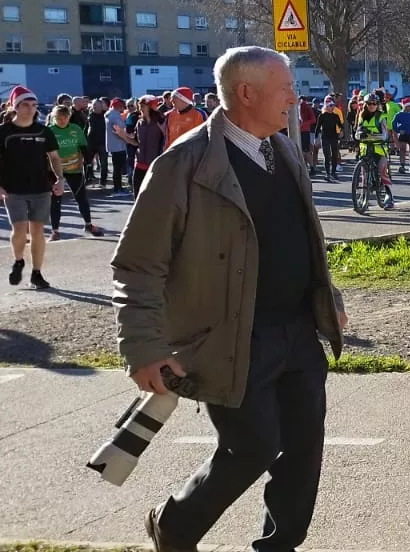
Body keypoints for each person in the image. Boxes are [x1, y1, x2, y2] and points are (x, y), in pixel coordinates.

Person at [113, 46, 347, 552]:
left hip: (298, 331)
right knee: (253, 447)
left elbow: (300, 236)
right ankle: (175, 526)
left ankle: (279, 545)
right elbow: (137, 264)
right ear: (246, 92)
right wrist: (143, 347)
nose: (294, 97)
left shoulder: (283, 150)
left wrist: (328, 295)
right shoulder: (184, 164)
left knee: (304, 449)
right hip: (231, 339)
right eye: (285, 87)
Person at [0, 87, 65, 289]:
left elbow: (54, 157)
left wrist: (60, 179)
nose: (30, 109)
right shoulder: (4, 132)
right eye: (26, 105)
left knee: (38, 231)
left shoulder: (44, 131)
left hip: (41, 188)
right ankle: (19, 260)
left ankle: (37, 273)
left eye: (34, 105)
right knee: (19, 229)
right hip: (13, 189)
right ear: (15, 107)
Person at [46, 105, 101, 239]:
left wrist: (88, 162)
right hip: (55, 171)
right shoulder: (49, 131)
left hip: (74, 169)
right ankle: (55, 231)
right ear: (54, 117)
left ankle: (88, 225)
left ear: (69, 117)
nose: (62, 120)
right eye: (59, 118)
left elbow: (83, 146)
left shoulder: (75, 129)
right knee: (56, 200)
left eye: (65, 117)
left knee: (81, 198)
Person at [354, 93, 395, 210]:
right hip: (366, 149)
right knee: (364, 175)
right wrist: (360, 135)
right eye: (369, 104)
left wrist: (370, 136)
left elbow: (384, 135)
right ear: (365, 105)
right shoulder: (362, 116)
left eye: (374, 104)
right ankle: (363, 199)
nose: (371, 106)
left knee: (382, 171)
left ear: (377, 105)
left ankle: (389, 197)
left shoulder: (381, 117)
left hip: (379, 149)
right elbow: (357, 134)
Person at [132, 96, 166, 197]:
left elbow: (168, 140)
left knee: (154, 196)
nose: (140, 108)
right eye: (139, 106)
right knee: (137, 194)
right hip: (139, 164)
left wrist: (164, 131)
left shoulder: (161, 121)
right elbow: (136, 142)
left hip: (155, 165)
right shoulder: (139, 123)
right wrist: (123, 135)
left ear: (151, 107)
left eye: (143, 106)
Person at [163, 86, 206, 151]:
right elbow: (167, 137)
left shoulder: (199, 114)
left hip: (191, 153)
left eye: (174, 98)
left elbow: (204, 136)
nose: (171, 101)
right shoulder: (169, 115)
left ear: (183, 100)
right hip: (172, 152)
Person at [103, 99, 130, 194]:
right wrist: (127, 139)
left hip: (115, 145)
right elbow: (118, 131)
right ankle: (118, 188)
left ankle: (118, 187)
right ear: (118, 106)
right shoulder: (114, 116)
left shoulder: (110, 114)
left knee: (117, 168)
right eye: (122, 106)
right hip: (118, 145)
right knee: (118, 168)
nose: (124, 108)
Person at [316, 100, 343, 181]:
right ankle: (327, 173)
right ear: (326, 106)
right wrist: (316, 138)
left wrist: (341, 131)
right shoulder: (322, 116)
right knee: (327, 155)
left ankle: (333, 172)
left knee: (334, 155)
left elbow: (340, 125)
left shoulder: (335, 116)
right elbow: (318, 127)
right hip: (325, 137)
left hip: (334, 137)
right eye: (330, 105)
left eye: (333, 105)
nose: (332, 107)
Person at [393, 99, 410, 173]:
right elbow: (393, 124)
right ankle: (402, 166)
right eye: (408, 106)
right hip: (403, 134)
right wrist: (398, 131)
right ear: (404, 107)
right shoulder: (399, 115)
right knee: (402, 150)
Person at [86, 98, 107, 187]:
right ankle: (88, 179)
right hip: (91, 142)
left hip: (102, 142)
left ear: (101, 106)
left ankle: (103, 182)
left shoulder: (105, 116)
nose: (94, 106)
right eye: (94, 105)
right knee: (88, 162)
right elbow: (86, 128)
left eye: (96, 105)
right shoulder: (90, 115)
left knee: (103, 163)